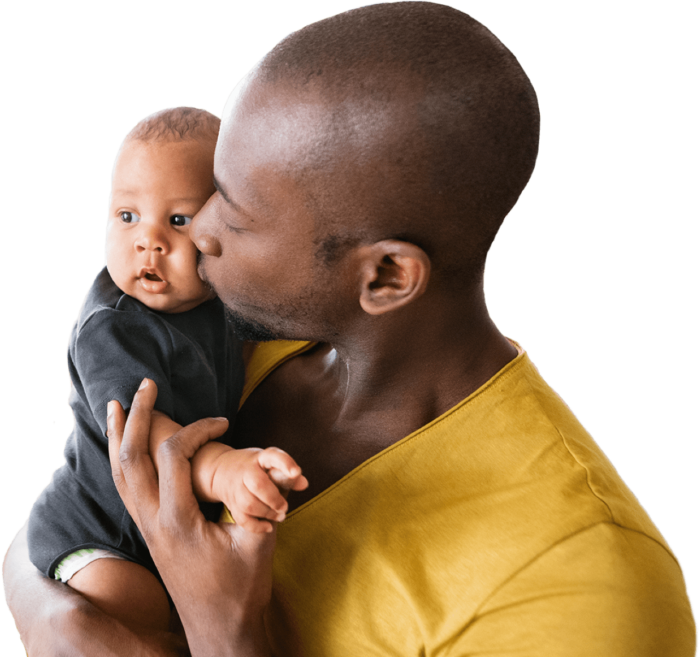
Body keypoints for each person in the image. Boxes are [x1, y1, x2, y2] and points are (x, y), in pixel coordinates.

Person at [4, 3, 696, 656]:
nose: (197, 233)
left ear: (386, 276)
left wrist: (225, 630)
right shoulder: (244, 334)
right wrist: (63, 623)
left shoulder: (586, 584)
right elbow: (60, 510)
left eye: (235, 215)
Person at [22, 106, 308, 636]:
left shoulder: (212, 296)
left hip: (166, 523)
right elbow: (140, 435)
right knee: (136, 605)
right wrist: (223, 470)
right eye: (127, 216)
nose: (147, 241)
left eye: (178, 221)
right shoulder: (115, 329)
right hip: (99, 528)